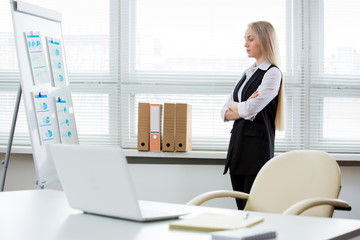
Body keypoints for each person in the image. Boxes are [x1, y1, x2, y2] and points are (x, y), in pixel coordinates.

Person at [221, 21, 285, 210]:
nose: (245, 44)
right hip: (238, 151)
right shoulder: (248, 73)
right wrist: (239, 107)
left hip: (255, 153)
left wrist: (237, 106)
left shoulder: (272, 73)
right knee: (241, 211)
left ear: (264, 41)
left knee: (255, 211)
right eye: (245, 39)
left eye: (250, 39)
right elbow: (224, 111)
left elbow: (250, 109)